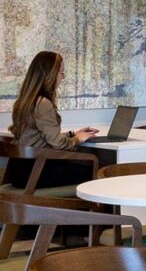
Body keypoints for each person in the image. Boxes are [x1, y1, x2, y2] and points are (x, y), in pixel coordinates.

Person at [6, 50, 97, 189]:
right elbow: (58, 144)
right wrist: (78, 140)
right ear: (50, 74)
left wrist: (73, 134)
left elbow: (41, 137)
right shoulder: (43, 103)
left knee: (85, 165)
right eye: (61, 73)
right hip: (35, 172)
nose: (63, 77)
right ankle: (89, 211)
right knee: (99, 169)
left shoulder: (25, 101)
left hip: (19, 170)